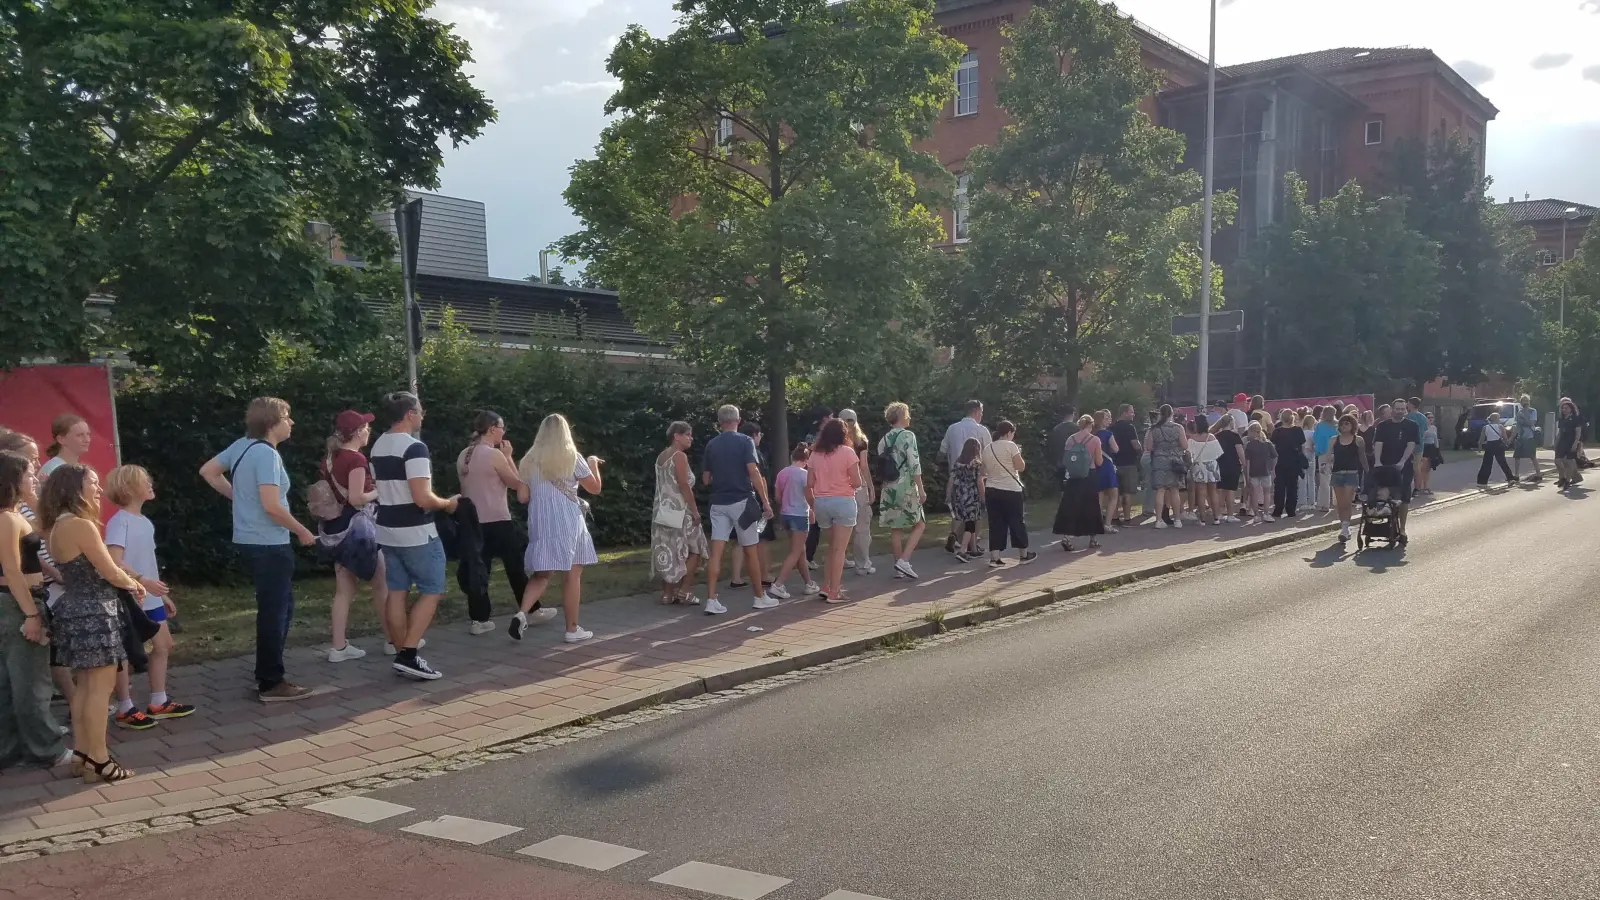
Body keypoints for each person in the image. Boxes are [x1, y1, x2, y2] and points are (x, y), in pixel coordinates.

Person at [200, 397, 317, 701]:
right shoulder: (267, 455)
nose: (291, 423)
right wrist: (302, 530)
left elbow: (208, 471)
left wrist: (239, 498)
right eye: (287, 417)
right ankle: (271, 681)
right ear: (272, 422)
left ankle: (268, 672)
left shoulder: (242, 446)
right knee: (275, 612)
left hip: (250, 540)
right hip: (270, 543)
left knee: (278, 608)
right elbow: (271, 505)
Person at [41, 464, 144, 782]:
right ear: (75, 489)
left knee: (85, 688)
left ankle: (83, 755)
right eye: (94, 483)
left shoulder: (57, 526)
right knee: (101, 690)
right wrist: (133, 583)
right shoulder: (81, 525)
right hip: (95, 612)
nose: (99, 490)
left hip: (72, 610)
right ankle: (99, 759)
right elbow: (108, 569)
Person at [369, 392, 458, 679]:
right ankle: (409, 654)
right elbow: (422, 497)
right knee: (432, 589)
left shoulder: (377, 445)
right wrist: (448, 503)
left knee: (397, 590)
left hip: (387, 528)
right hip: (417, 531)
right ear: (409, 414)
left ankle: (400, 653)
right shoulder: (415, 448)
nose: (422, 415)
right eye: (420, 410)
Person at [103, 465, 192, 721]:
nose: (151, 483)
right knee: (128, 652)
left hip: (149, 595)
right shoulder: (120, 522)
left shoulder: (144, 522)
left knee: (164, 644)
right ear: (129, 489)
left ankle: (158, 701)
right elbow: (114, 560)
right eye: (145, 480)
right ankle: (125, 707)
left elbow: (146, 561)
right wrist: (142, 582)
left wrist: (159, 593)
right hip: (131, 597)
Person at [0, 450, 70, 773]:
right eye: (29, 473)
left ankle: (11, 749)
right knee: (31, 681)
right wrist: (30, 614)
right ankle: (46, 749)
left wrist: (32, 495)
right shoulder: (5, 517)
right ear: (12, 479)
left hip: (16, 600)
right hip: (18, 600)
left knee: (9, 680)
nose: (35, 477)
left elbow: (41, 529)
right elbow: (11, 571)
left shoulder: (13, 514)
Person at [512, 414, 601, 643]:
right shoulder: (572, 457)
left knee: (542, 572)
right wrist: (592, 463)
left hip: (540, 520)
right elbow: (594, 488)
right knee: (572, 573)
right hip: (567, 519)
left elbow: (522, 497)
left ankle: (522, 613)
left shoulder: (529, 460)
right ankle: (572, 629)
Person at [317, 409, 393, 662]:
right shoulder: (356, 460)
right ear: (358, 432)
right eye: (366, 427)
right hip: (359, 531)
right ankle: (393, 641)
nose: (369, 430)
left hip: (337, 530)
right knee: (381, 584)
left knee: (343, 590)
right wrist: (378, 491)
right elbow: (357, 497)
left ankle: (338, 647)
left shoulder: (331, 458)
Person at [456, 411, 531, 635]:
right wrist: (508, 456)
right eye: (502, 428)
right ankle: (531, 609)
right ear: (491, 429)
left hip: (472, 521)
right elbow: (518, 484)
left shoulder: (463, 455)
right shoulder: (493, 454)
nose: (503, 432)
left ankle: (479, 619)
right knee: (515, 566)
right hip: (497, 519)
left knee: (479, 570)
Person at [702, 405, 777, 615]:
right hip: (742, 502)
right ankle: (759, 597)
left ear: (719, 422)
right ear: (738, 420)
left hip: (718, 503)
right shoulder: (745, 441)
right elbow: (753, 472)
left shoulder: (711, 445)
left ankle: (711, 599)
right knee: (750, 549)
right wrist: (765, 501)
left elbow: (706, 479)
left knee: (716, 553)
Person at [806, 420, 863, 604]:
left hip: (822, 501)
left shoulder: (815, 454)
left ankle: (826, 585)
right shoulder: (847, 452)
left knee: (831, 547)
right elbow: (856, 481)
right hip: (843, 501)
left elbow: (810, 483)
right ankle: (835, 591)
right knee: (840, 550)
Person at [651, 422, 706, 605]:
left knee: (670, 552)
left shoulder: (661, 457)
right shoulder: (679, 456)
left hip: (663, 511)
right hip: (680, 510)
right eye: (688, 434)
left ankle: (667, 594)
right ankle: (684, 590)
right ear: (676, 436)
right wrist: (695, 511)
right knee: (695, 549)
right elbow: (683, 485)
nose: (691, 438)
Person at [879, 402, 928, 578]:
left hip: (888, 487)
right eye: (907, 414)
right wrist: (921, 489)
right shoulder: (908, 435)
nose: (909, 417)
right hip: (906, 486)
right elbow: (914, 464)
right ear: (901, 416)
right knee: (920, 523)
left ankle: (898, 566)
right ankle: (904, 560)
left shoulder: (884, 439)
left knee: (895, 528)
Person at [769, 444, 821, 599]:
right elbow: (809, 496)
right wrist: (814, 510)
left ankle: (809, 583)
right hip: (799, 515)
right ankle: (778, 584)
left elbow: (777, 497)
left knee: (800, 550)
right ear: (806, 460)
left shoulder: (782, 473)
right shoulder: (804, 475)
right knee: (796, 551)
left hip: (785, 514)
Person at [941, 400, 991, 554]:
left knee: (958, 510)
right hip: (975, 478)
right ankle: (972, 544)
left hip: (956, 475)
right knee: (975, 513)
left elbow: (942, 451)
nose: (982, 415)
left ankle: (954, 535)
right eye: (981, 412)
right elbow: (989, 453)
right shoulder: (981, 430)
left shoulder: (952, 429)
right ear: (976, 411)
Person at [729, 420, 774, 591]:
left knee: (740, 540)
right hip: (755, 499)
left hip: (740, 497)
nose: (760, 437)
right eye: (759, 434)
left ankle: (736, 577)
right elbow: (760, 477)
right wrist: (766, 501)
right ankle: (764, 575)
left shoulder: (736, 452)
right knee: (761, 538)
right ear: (754, 435)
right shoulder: (755, 453)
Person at [984, 419, 1035, 565]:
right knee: (1016, 521)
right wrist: (1019, 453)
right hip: (1011, 489)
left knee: (996, 523)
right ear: (1009, 432)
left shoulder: (988, 448)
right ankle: (1023, 554)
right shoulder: (1011, 446)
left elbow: (984, 470)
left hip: (992, 489)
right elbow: (1020, 467)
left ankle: (995, 556)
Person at [1372, 399, 1420, 544]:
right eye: (1397, 409)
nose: (1399, 411)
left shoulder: (1412, 426)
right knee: (1385, 495)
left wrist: (1402, 461)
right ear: (1392, 409)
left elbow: (1411, 445)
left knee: (1404, 498)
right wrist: (1378, 461)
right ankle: (1385, 524)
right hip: (1385, 465)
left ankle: (1403, 529)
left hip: (1403, 466)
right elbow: (1378, 443)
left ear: (1406, 410)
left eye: (1402, 409)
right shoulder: (1382, 426)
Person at [1052, 416, 1104, 551]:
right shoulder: (1095, 440)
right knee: (1091, 506)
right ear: (1091, 425)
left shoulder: (1071, 439)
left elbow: (1066, 460)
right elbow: (1099, 462)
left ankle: (1066, 537)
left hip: (1073, 476)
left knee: (1071, 506)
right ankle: (1093, 539)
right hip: (1089, 475)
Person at [837, 409, 876, 575]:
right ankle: (862, 564)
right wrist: (871, 487)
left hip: (839, 485)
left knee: (841, 526)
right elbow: (864, 466)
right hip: (857, 484)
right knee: (862, 526)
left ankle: (840, 561)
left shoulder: (834, 442)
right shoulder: (861, 441)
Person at [1329, 414, 1369, 544]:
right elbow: (1328, 455)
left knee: (1347, 501)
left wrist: (1368, 471)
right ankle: (1344, 527)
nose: (1344, 426)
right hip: (1337, 473)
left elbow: (1362, 457)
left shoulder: (1358, 440)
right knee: (1339, 503)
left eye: (1347, 423)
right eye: (1342, 423)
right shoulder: (1334, 440)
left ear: (1353, 425)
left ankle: (1345, 529)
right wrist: (1325, 464)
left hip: (1351, 473)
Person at [1147, 405, 1188, 529]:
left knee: (1160, 490)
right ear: (1171, 414)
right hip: (1174, 461)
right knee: (1174, 490)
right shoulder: (1178, 427)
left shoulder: (1153, 428)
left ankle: (1159, 520)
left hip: (1159, 461)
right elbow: (1185, 445)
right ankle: (1177, 520)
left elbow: (1149, 447)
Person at [948, 437, 984, 562]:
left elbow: (952, 479)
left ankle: (973, 549)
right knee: (970, 525)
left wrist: (949, 495)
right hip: (972, 496)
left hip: (959, 496)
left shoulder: (958, 462)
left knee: (969, 522)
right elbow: (979, 482)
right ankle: (962, 551)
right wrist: (983, 495)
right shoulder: (976, 464)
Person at [1271, 408, 1308, 520]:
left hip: (1280, 461)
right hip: (1294, 461)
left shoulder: (1277, 431)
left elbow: (1273, 447)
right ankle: (1291, 510)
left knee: (1279, 487)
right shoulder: (1298, 430)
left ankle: (1278, 510)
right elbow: (1303, 447)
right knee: (1293, 486)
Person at [1109, 404, 1142, 525]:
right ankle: (1127, 518)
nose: (1133, 414)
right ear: (1124, 413)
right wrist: (1141, 450)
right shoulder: (1130, 427)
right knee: (1127, 492)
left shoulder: (1111, 427)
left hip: (1114, 463)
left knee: (1115, 492)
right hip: (1129, 463)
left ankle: (1114, 517)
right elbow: (1135, 444)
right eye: (1131, 412)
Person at [1187, 416, 1221, 526]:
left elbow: (1188, 454)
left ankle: (1202, 519)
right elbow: (1218, 453)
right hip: (1212, 465)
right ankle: (1216, 517)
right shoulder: (1211, 437)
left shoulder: (1192, 439)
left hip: (1199, 466)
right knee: (1213, 492)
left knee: (1201, 493)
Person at [1212, 414, 1245, 522]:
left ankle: (1219, 514)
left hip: (1219, 465)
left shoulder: (1217, 436)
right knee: (1230, 491)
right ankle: (1230, 515)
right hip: (1233, 466)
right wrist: (1244, 464)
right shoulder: (1235, 436)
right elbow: (1240, 452)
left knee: (1219, 491)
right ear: (1231, 423)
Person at [38, 414, 91, 480]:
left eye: (88, 434)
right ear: (61, 439)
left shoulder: (77, 468)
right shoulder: (54, 469)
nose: (87, 440)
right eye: (79, 435)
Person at [1242, 422, 1277, 523]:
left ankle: (1256, 515)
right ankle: (1266, 513)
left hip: (1253, 472)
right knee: (1267, 493)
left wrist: (1247, 475)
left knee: (1254, 494)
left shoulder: (1249, 445)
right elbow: (1274, 457)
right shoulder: (1268, 443)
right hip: (1266, 471)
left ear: (1252, 432)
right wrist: (1272, 468)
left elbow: (1247, 462)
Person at [1092, 410, 1120, 533]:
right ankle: (1107, 523)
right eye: (1107, 417)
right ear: (1101, 420)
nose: (1109, 419)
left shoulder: (1093, 434)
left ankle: (1097, 523)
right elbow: (1115, 449)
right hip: (1107, 465)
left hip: (1096, 465)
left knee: (1099, 495)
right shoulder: (1108, 434)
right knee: (1114, 494)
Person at [1477, 412, 1516, 486]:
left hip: (1489, 445)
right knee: (1503, 462)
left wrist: (1479, 447)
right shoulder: (1500, 426)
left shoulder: (1485, 427)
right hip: (1498, 445)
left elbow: (1481, 438)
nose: (1499, 419)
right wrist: (1508, 440)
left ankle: (1482, 482)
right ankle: (1510, 478)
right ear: (1496, 419)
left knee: (1486, 464)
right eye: (1499, 418)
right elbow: (1504, 437)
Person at [1554, 398, 1585, 490]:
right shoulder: (1562, 419)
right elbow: (1560, 432)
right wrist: (1556, 442)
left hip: (1570, 442)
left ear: (1571, 409)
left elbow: (1578, 432)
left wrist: (1575, 444)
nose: (1564, 410)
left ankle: (1567, 480)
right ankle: (1562, 477)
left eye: (1566, 408)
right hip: (1562, 442)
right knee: (1557, 461)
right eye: (1563, 408)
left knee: (1568, 462)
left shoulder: (1575, 419)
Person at [1312, 407, 1338, 513]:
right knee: (1335, 479)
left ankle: (1323, 504)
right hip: (1335, 454)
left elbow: (1316, 439)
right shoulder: (1338, 425)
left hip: (1323, 455)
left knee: (1324, 480)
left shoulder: (1320, 426)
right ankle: (1336, 502)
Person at [1046, 404, 1079, 483]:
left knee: (1060, 485)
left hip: (1059, 461)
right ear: (1073, 414)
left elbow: (1052, 446)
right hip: (1074, 461)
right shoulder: (1077, 428)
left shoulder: (1056, 429)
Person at [1511, 395, 1541, 482]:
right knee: (1517, 456)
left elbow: (1531, 423)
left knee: (1532, 456)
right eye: (1523, 401)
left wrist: (1524, 417)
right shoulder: (1519, 412)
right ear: (1521, 402)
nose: (1525, 402)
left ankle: (1538, 474)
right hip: (1521, 437)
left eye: (1526, 401)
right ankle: (1516, 475)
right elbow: (1517, 426)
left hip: (1529, 436)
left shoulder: (1533, 411)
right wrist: (1512, 437)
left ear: (1529, 402)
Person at [1406, 398, 1431, 495]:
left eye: (1408, 403)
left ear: (1411, 404)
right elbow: (1424, 430)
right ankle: (1417, 488)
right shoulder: (1423, 417)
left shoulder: (1408, 417)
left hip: (1409, 444)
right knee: (1417, 467)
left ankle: (1413, 487)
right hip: (1420, 444)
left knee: (1411, 467)